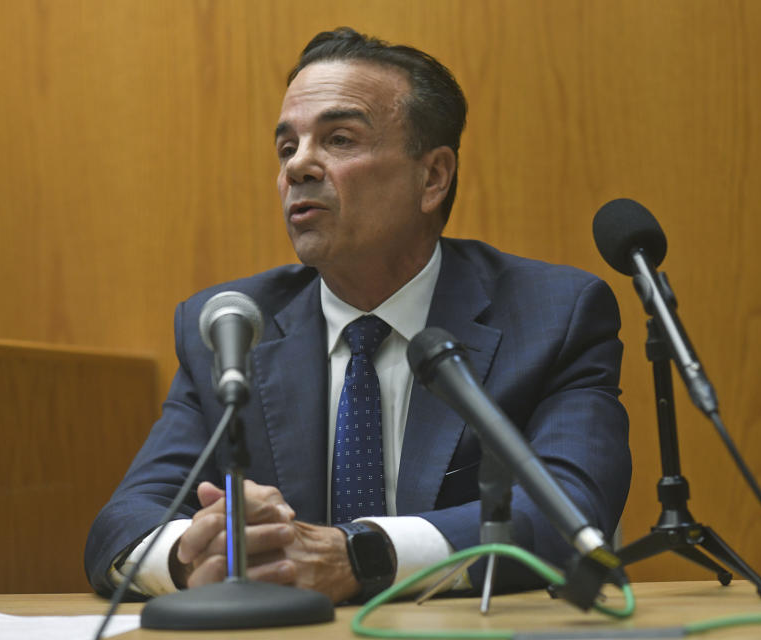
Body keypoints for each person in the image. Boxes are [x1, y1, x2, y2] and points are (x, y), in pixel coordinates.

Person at [84, 27, 631, 604]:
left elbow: (570, 513)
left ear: (433, 177)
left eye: (339, 139)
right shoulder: (232, 329)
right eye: (286, 147)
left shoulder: (552, 316)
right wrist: (195, 555)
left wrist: (360, 555)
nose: (299, 167)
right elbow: (121, 526)